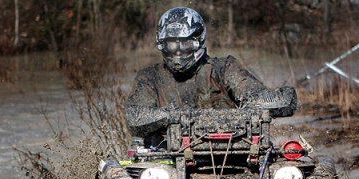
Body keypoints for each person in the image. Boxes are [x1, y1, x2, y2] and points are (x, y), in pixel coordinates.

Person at [125, 7, 297, 149]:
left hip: (235, 151)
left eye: (184, 44)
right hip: (169, 159)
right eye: (172, 44)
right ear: (162, 45)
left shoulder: (224, 68)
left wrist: (263, 102)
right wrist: (170, 115)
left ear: (197, 41)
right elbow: (134, 117)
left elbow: (255, 92)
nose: (178, 51)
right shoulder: (150, 77)